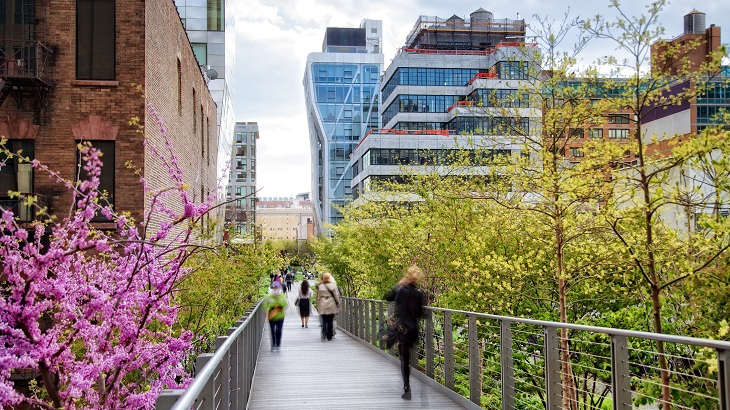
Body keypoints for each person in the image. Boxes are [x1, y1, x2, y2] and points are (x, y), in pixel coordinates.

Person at [384, 265, 425, 400]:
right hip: (413, 329)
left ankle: (407, 387)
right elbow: (420, 313)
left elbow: (387, 297)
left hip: (402, 329)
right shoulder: (419, 294)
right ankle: (417, 382)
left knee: (404, 360)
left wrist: (398, 285)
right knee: (411, 358)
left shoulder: (401, 291)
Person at [263, 281, 287, 352]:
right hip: (272, 316)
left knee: (279, 330)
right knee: (272, 330)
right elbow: (265, 305)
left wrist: (279, 304)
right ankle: (273, 345)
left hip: (280, 316)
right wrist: (270, 307)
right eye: (274, 288)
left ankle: (278, 345)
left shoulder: (282, 296)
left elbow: (285, 304)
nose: (275, 290)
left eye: (277, 288)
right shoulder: (269, 297)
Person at [316, 272, 341, 341]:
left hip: (323, 304)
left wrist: (318, 305)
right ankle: (329, 336)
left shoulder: (320, 286)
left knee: (324, 320)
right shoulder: (333, 286)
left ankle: (323, 334)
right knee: (330, 320)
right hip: (331, 304)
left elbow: (318, 297)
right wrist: (338, 304)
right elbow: (336, 296)